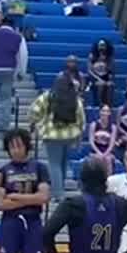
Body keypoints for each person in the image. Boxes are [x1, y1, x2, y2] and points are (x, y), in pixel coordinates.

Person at [28, 70, 85, 201]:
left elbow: (34, 110)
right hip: (70, 135)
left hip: (52, 135)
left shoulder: (48, 96)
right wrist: (79, 135)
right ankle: (60, 190)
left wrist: (34, 122)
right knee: (63, 163)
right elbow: (81, 117)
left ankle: (58, 194)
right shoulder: (75, 98)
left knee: (54, 164)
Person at [88, 104, 118, 168]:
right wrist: (99, 153)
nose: (105, 113)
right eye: (103, 111)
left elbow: (112, 144)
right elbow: (91, 142)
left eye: (107, 111)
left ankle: (108, 178)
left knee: (108, 159)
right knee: (95, 158)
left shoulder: (113, 127)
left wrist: (105, 154)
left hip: (107, 151)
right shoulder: (93, 125)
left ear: (109, 113)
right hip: (96, 150)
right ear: (100, 112)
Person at [87, 38, 115, 106]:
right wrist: (98, 79)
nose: (101, 47)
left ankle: (108, 104)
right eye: (100, 45)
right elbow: (89, 71)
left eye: (103, 45)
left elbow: (111, 71)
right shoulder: (92, 56)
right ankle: (99, 103)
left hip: (105, 77)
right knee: (100, 84)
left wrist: (105, 61)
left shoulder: (109, 57)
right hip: (94, 78)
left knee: (110, 85)